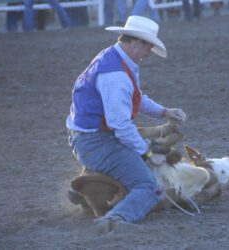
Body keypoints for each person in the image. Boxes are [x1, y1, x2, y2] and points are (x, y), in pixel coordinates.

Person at [66, 15, 187, 233]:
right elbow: (120, 126)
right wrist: (148, 153)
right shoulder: (116, 75)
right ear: (136, 42)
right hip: (98, 142)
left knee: (134, 158)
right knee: (150, 187)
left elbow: (135, 97)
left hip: (89, 137)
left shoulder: (113, 58)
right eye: (148, 47)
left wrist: (164, 112)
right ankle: (115, 220)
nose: (149, 53)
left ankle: (88, 191)